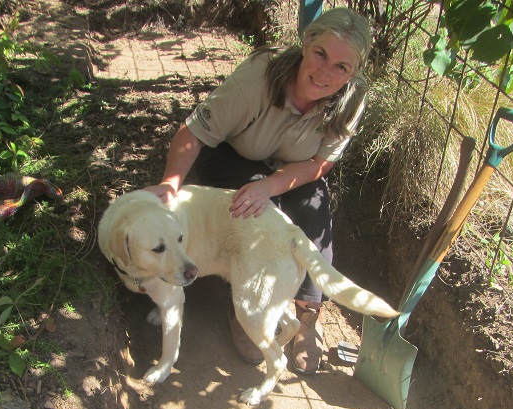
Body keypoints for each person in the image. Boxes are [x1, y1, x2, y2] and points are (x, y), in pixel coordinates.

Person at [143, 7, 373, 374]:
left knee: (313, 212)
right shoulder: (259, 79)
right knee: (250, 206)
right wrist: (171, 183)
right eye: (321, 55)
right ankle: (247, 306)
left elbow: (320, 165)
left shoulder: (352, 100)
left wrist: (272, 184)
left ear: (354, 73)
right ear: (306, 43)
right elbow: (194, 132)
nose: (325, 73)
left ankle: (307, 317)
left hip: (293, 170)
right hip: (233, 156)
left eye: (342, 68)